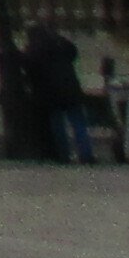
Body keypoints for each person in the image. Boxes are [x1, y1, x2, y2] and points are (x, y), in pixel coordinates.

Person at [23, 18, 98, 164]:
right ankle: (86, 154)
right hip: (70, 88)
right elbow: (73, 52)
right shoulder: (59, 41)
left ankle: (64, 155)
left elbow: (29, 69)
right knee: (78, 123)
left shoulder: (33, 49)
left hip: (51, 92)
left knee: (58, 126)